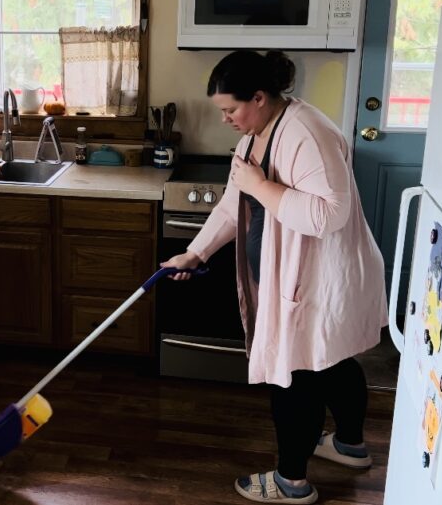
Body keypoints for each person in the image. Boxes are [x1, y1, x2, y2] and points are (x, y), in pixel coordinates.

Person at [161, 50, 386, 504]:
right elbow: (233, 204)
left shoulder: (307, 133)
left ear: (260, 97)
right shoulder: (255, 135)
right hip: (295, 279)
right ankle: (349, 446)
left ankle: (292, 483)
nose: (225, 119)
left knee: (295, 375)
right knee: (333, 362)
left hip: (318, 281)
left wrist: (262, 186)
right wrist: (194, 251)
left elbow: (328, 214)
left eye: (230, 109)